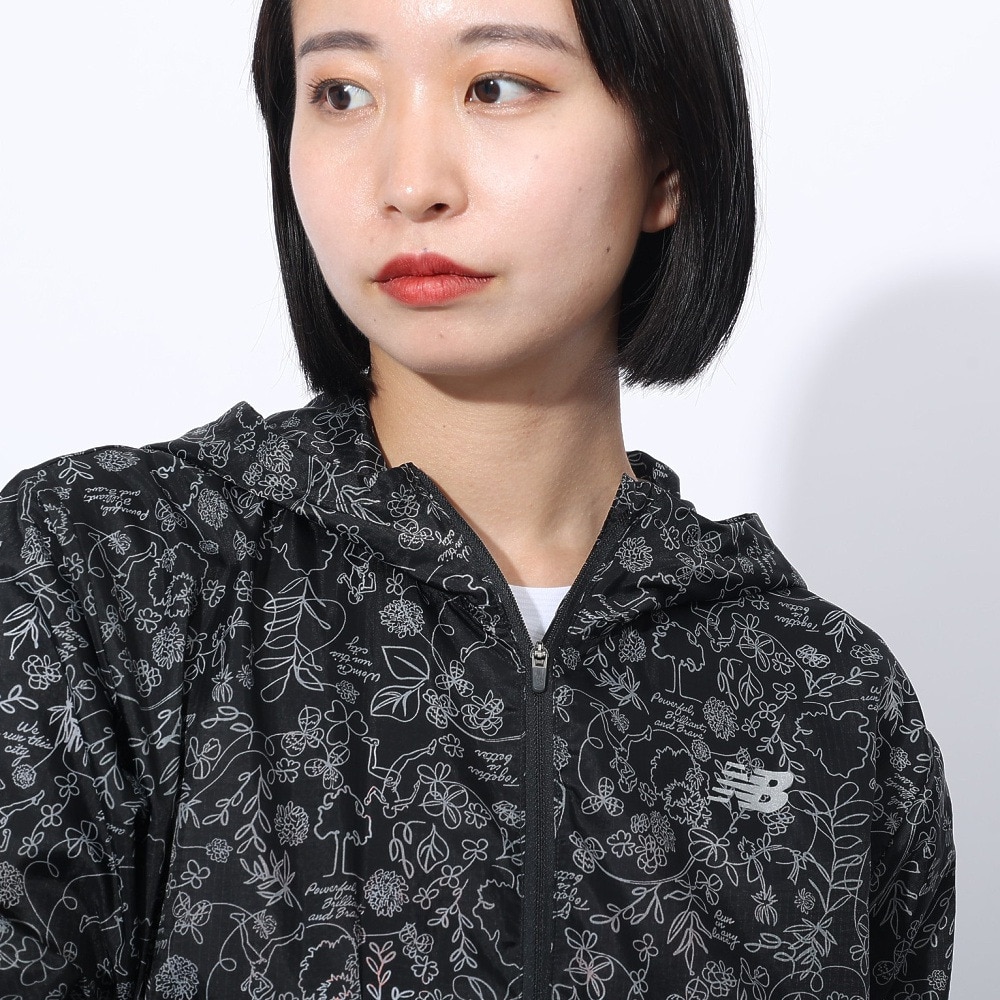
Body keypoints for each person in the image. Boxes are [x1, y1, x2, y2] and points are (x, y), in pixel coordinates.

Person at [0, 0, 955, 997]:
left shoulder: (829, 699)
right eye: (342, 94)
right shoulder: (101, 573)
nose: (410, 184)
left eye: (496, 87)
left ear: (667, 162)